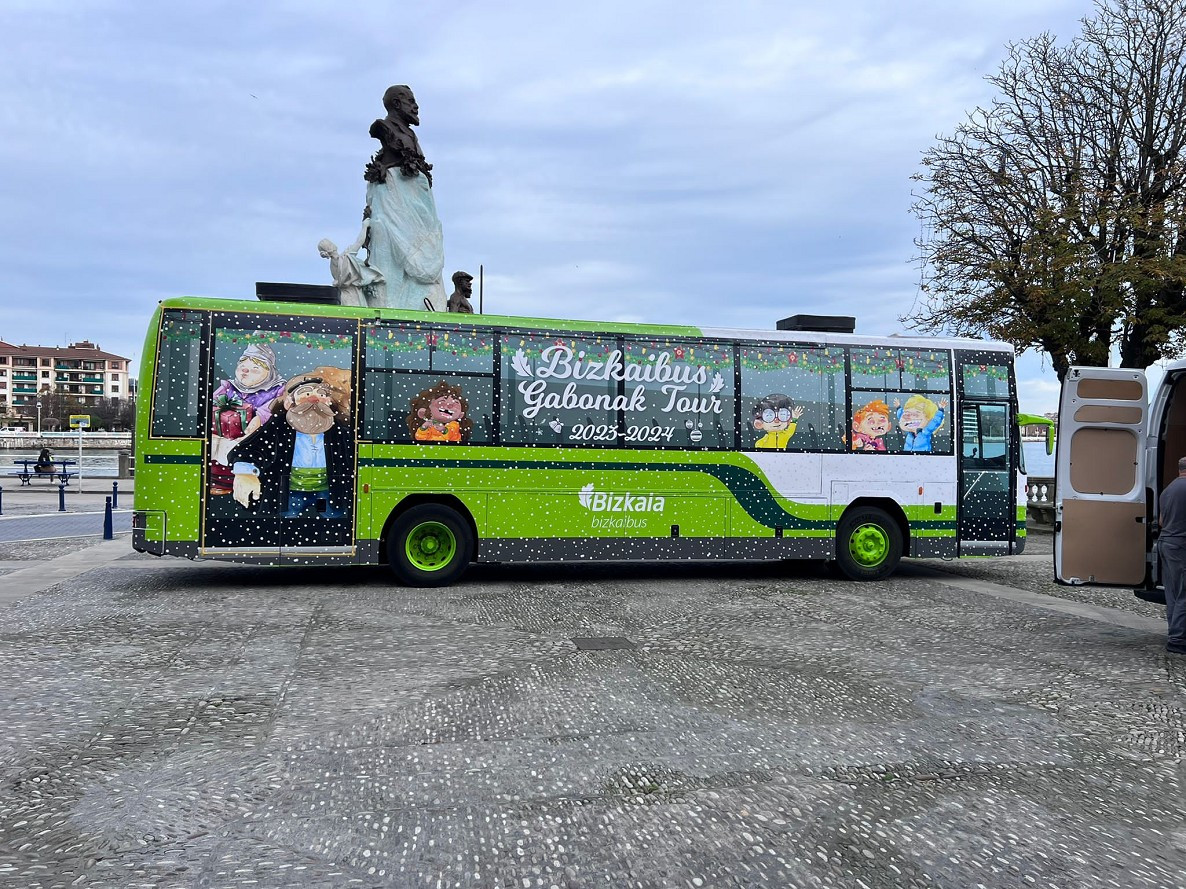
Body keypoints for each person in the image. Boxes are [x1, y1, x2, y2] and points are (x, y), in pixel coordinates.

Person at [363, 85, 447, 311]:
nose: (416, 106)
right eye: (411, 101)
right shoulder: (384, 128)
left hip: (415, 208)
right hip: (393, 205)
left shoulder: (410, 134)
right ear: (396, 104)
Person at [1158, 456, 1186, 655]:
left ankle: (1174, 632)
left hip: (1165, 542)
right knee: (1184, 593)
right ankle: (1177, 639)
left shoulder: (1168, 490)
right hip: (1181, 544)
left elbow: (1160, 521)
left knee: (1173, 592)